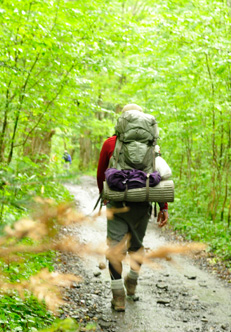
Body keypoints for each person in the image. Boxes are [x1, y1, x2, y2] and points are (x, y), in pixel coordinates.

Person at [96, 103, 169, 312]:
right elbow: (159, 175)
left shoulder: (110, 143)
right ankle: (132, 282)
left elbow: (101, 175)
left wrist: (105, 197)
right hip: (142, 203)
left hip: (118, 202)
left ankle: (118, 297)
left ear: (122, 120)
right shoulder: (152, 145)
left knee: (114, 249)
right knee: (137, 246)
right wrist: (162, 207)